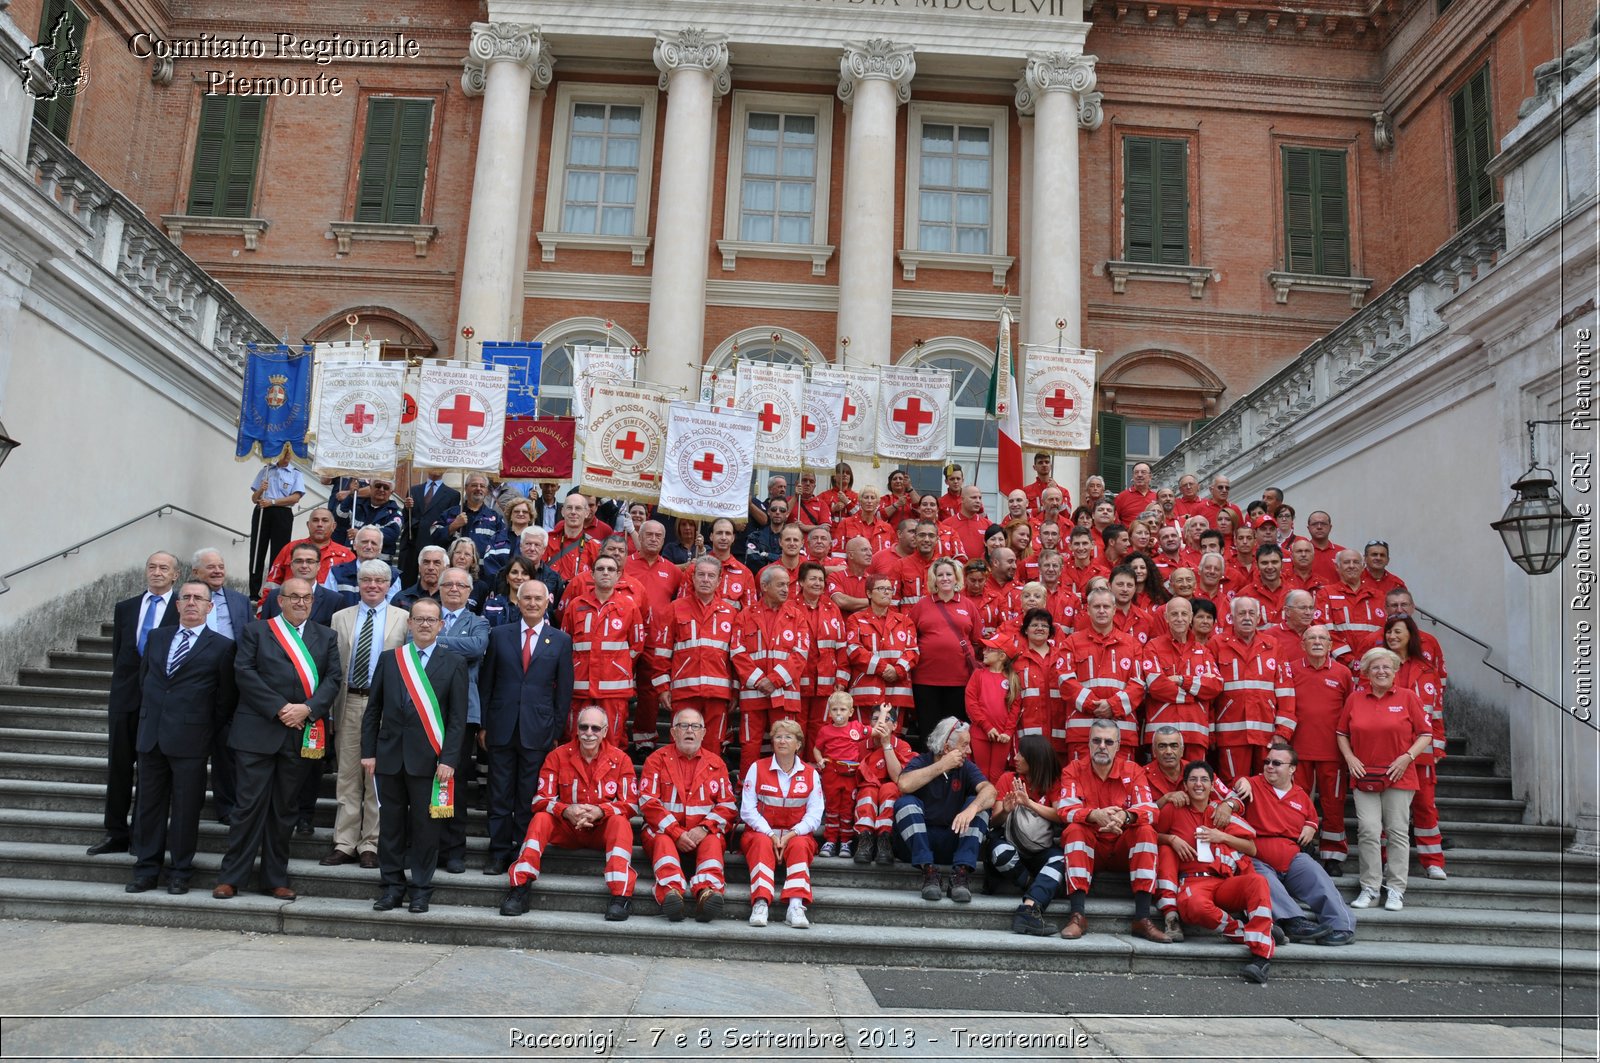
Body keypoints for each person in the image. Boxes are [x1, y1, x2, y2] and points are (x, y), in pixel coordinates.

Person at [213, 577, 342, 902]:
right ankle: (232, 877)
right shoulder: (256, 631)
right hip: (258, 732)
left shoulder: (326, 636)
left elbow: (333, 678)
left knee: (285, 810)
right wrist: (280, 708)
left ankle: (274, 878)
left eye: (306, 598)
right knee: (248, 807)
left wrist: (308, 709)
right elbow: (244, 672)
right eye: (294, 597)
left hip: (300, 734)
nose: (301, 603)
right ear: (280, 600)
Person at [126, 581, 238, 894]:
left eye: (198, 598)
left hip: (191, 740)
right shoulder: (157, 637)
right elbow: (144, 680)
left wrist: (203, 729)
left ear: (209, 607)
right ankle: (146, 870)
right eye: (185, 597)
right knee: (148, 806)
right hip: (151, 737)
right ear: (177, 605)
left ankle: (179, 872)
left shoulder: (222, 646)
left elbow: (224, 699)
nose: (191, 602)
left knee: (187, 810)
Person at [358, 598, 467, 914]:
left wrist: (449, 759)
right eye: (418, 619)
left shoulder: (454, 663)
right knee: (390, 827)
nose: (424, 624)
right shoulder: (392, 659)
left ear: (440, 625)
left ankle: (420, 889)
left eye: (431, 620)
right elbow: (373, 710)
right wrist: (369, 752)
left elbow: (458, 719)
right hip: (389, 757)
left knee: (425, 829)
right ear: (409, 623)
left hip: (430, 762)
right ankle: (391, 887)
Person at [499, 706, 639, 921]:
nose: (589, 733)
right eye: (584, 727)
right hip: (566, 829)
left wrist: (601, 811)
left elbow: (630, 804)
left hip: (600, 830)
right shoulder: (557, 756)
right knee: (541, 818)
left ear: (605, 731)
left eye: (595, 728)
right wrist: (565, 810)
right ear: (576, 729)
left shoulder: (621, 760)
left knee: (621, 823)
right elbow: (539, 800)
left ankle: (621, 896)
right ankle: (519, 889)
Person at [478, 579, 574, 877]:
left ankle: (524, 850)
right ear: (517, 602)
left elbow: (564, 692)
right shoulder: (499, 635)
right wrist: (483, 725)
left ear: (548, 603)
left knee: (528, 794)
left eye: (538, 599)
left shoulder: (560, 640)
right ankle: (498, 851)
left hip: (539, 730)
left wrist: (556, 730)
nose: (532, 603)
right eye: (527, 598)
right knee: (499, 793)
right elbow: (487, 684)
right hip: (501, 727)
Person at [90, 551, 180, 857]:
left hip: (161, 701)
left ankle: (143, 834)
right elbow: (121, 655)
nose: (156, 572)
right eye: (152, 567)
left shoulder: (184, 607)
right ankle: (115, 832)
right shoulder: (126, 608)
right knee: (119, 766)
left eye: (163, 568)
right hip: (125, 698)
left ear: (175, 575)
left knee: (151, 770)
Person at [323, 561, 410, 870]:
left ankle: (371, 843)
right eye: (367, 580)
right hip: (349, 702)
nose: (373, 585)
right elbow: (333, 666)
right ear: (358, 583)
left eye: (379, 581)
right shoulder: (339, 617)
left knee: (377, 778)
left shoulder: (403, 618)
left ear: (389, 586)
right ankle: (344, 842)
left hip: (385, 707)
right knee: (347, 776)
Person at [1156, 761, 1275, 982]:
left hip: (1222, 882)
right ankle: (1248, 931)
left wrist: (1222, 837)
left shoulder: (1219, 811)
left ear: (1212, 786)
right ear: (1185, 785)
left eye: (1204, 780)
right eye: (1193, 780)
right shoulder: (1174, 809)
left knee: (1258, 882)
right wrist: (1171, 839)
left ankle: (1261, 960)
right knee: (1194, 905)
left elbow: (1252, 847)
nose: (1198, 785)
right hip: (1193, 883)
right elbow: (1150, 834)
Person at [1229, 741, 1357, 946]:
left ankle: (1343, 926)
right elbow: (1233, 791)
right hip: (1257, 855)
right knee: (1261, 880)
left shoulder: (1300, 795)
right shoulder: (1252, 784)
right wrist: (1240, 780)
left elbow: (1311, 816)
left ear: (1292, 769)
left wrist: (1311, 825)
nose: (1270, 766)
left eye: (1277, 763)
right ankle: (1295, 922)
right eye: (1267, 761)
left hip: (1292, 856)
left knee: (1317, 875)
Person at [1056, 718, 1170, 941]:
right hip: (1093, 848)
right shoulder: (1073, 769)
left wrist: (1125, 816)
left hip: (1121, 847)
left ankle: (1142, 918)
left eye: (1109, 742)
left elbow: (1151, 809)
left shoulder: (1133, 770)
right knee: (1074, 831)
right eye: (1096, 740)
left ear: (1118, 746)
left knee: (1146, 831)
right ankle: (1077, 915)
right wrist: (1093, 815)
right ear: (1088, 743)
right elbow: (1064, 810)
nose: (1102, 746)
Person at [1337, 647, 1432, 912]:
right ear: (1366, 672)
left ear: (1395, 670)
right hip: (1364, 774)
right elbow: (1341, 733)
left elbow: (1426, 734)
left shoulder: (1408, 697)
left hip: (1399, 774)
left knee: (1398, 832)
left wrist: (1407, 757)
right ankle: (1370, 887)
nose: (1381, 672)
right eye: (1375, 667)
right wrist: (1350, 758)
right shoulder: (1355, 699)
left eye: (1386, 667)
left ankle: (1395, 889)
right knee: (1368, 830)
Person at [637, 707, 735, 922]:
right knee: (661, 839)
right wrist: (676, 832)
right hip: (666, 834)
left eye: (695, 726)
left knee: (713, 840)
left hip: (701, 834)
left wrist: (703, 828)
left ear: (703, 732)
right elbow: (648, 802)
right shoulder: (656, 760)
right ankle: (671, 892)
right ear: (673, 732)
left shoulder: (716, 763)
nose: (689, 730)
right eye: (683, 726)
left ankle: (707, 892)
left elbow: (728, 805)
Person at [891, 718, 995, 904]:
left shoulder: (966, 766)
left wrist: (972, 808)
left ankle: (960, 874)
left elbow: (990, 791)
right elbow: (904, 784)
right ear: (947, 749)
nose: (969, 751)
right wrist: (942, 766)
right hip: (917, 845)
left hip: (950, 843)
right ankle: (929, 871)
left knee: (979, 804)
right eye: (965, 745)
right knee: (905, 803)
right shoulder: (922, 761)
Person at [432, 567, 491, 873]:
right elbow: (412, 643)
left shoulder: (479, 622)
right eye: (448, 584)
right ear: (439, 588)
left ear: (470, 592)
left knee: (453, 781)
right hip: (426, 711)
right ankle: (427, 847)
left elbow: (476, 648)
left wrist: (434, 641)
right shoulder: (426, 613)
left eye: (461, 585)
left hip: (462, 715)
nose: (454, 588)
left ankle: (454, 850)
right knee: (422, 781)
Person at [190, 548, 253, 824]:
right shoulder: (187, 599)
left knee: (227, 749)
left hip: (230, 683)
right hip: (193, 680)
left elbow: (249, 640)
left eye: (220, 566)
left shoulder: (240, 601)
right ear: (195, 573)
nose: (217, 571)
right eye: (210, 567)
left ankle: (227, 806)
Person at [741, 718, 824, 928]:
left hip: (795, 835)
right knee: (760, 843)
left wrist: (791, 835)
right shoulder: (757, 768)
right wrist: (770, 834)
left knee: (800, 845)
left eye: (788, 737)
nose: (782, 741)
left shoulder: (810, 774)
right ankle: (760, 903)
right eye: (778, 736)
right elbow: (747, 810)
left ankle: (795, 906)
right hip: (761, 834)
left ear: (798, 744)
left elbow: (815, 814)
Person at [1385, 614, 1448, 880]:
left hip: (1421, 752)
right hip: (1387, 750)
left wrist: (1439, 747)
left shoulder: (1426, 669)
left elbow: (1436, 713)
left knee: (1425, 806)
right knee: (1388, 812)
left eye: (1398, 632)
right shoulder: (1379, 665)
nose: (1393, 636)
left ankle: (1433, 861)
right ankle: (1388, 861)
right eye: (1389, 632)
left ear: (1411, 635)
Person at [654, 556, 740, 751]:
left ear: (719, 581)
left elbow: (735, 658)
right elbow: (661, 653)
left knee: (713, 746)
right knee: (680, 746)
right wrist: (662, 687)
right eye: (701, 574)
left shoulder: (731, 613)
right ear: (692, 578)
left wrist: (734, 691)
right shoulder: (675, 609)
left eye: (711, 576)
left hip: (718, 694)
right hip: (685, 692)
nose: (705, 579)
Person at [1288, 623, 1355, 873]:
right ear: (1302, 644)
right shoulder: (1291, 670)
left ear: (1330, 645)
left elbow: (1351, 713)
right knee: (1298, 804)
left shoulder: (1342, 673)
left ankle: (1333, 855)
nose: (1317, 642)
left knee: (1333, 803)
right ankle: (1300, 849)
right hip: (1298, 752)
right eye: (1311, 638)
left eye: (1322, 638)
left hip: (1332, 752)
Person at [985, 735, 1066, 937]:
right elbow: (993, 822)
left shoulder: (1054, 783)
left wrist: (1029, 803)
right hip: (1011, 843)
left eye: (1022, 753)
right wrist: (1005, 810)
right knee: (999, 852)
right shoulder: (1008, 779)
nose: (1016, 757)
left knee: (1060, 860)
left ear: (1035, 758)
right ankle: (1032, 884)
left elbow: (1060, 816)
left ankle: (1029, 909)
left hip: (1041, 848)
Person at [1212, 596, 1296, 785]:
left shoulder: (1273, 645)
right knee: (1234, 786)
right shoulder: (1216, 644)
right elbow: (1209, 695)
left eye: (1252, 613)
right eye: (1241, 613)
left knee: (1268, 786)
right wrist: (1211, 732)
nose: (1247, 617)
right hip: (1231, 733)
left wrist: (1283, 732)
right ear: (1231, 617)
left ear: (1259, 617)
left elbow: (1286, 692)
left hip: (1267, 733)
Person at [563, 553, 645, 747]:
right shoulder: (576, 606)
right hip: (580, 687)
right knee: (576, 739)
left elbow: (636, 646)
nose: (605, 573)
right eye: (600, 569)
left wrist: (619, 666)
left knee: (612, 741)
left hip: (614, 690)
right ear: (592, 574)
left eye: (610, 569)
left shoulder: (629, 607)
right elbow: (565, 644)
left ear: (618, 575)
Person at [1059, 587, 1146, 762]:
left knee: (1122, 785)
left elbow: (1138, 685)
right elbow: (1065, 681)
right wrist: (1095, 706)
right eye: (1096, 606)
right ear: (1088, 610)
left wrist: (1112, 706)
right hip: (1082, 733)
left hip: (1122, 732)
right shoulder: (1072, 642)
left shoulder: (1132, 644)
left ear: (1114, 610)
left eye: (1106, 606)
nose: (1101, 611)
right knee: (1081, 783)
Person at [907, 557, 981, 742]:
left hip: (960, 679)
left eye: (949, 574)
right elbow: (910, 638)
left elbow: (977, 640)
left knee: (955, 732)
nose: (945, 578)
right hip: (925, 680)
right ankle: (930, 770)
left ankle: (953, 769)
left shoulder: (968, 606)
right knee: (929, 731)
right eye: (940, 575)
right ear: (934, 579)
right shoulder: (921, 606)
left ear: (956, 578)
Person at [1140, 597, 1222, 758]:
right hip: (1161, 731)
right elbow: (1156, 686)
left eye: (1184, 614)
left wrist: (1182, 680)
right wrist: (1194, 695)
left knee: (1194, 782)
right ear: (1166, 618)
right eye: (1174, 614)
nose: (1179, 618)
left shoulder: (1203, 650)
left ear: (1191, 617)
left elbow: (1216, 685)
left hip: (1195, 733)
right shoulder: (1153, 647)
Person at [843, 574, 919, 722]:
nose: (886, 592)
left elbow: (913, 651)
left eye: (889, 589)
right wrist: (883, 668)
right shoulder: (856, 619)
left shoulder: (905, 621)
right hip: (866, 691)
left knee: (893, 737)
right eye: (881, 588)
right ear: (869, 593)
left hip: (897, 691)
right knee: (864, 737)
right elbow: (854, 650)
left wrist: (898, 670)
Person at [851, 703, 913, 865]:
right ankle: (864, 841)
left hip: (891, 787)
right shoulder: (860, 746)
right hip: (867, 790)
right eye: (875, 719)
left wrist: (886, 744)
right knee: (868, 791)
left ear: (895, 725)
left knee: (889, 789)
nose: (880, 723)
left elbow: (899, 778)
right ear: (869, 724)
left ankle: (885, 841)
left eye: (886, 719)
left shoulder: (902, 745)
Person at [814, 691, 868, 858]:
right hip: (831, 774)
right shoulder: (825, 730)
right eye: (835, 710)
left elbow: (873, 732)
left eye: (843, 709)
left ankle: (846, 841)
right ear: (829, 712)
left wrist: (883, 714)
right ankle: (830, 840)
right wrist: (820, 760)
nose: (838, 713)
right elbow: (817, 748)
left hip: (850, 775)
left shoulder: (856, 727)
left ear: (851, 712)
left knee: (847, 808)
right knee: (832, 807)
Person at [260, 508, 354, 601]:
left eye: (325, 521)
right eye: (315, 520)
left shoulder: (346, 555)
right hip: (291, 608)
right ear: (308, 525)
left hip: (329, 611)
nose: (320, 524)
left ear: (333, 526)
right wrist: (264, 610)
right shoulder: (290, 549)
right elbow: (272, 583)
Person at [249, 452, 306, 598]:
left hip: (282, 513)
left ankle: (272, 592)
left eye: (290, 453)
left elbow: (295, 498)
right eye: (284, 453)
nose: (287, 456)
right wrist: (262, 489)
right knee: (257, 550)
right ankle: (254, 592)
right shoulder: (266, 470)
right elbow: (254, 498)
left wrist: (273, 502)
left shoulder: (295, 474)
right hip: (262, 510)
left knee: (279, 553)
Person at [966, 636, 1019, 782]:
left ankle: (995, 804)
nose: (984, 652)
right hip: (980, 732)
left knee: (996, 775)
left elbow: (1015, 708)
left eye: (990, 649)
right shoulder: (978, 674)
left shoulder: (1012, 679)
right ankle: (982, 804)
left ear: (1002, 656)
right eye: (985, 648)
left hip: (1003, 736)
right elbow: (971, 702)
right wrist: (987, 727)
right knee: (981, 774)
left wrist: (1008, 732)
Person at [1320, 549, 1386, 662]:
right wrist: (1347, 659)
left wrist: (1373, 659)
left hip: (1373, 663)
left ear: (1363, 566)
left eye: (1356, 562)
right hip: (1340, 664)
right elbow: (1323, 630)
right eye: (1346, 562)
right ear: (1337, 566)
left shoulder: (1379, 596)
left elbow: (1385, 632)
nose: (1351, 566)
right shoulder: (1326, 594)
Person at [261, 543, 341, 627]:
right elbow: (264, 630)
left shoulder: (334, 600)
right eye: (299, 561)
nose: (304, 566)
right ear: (291, 565)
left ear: (318, 566)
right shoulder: (274, 595)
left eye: (310, 561)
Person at [403, 473, 460, 585]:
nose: (435, 470)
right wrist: (406, 508)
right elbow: (406, 517)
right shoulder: (413, 490)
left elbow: (449, 519)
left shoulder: (453, 494)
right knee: (407, 580)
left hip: (435, 542)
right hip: (412, 541)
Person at [431, 472, 504, 559]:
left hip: (483, 571)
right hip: (454, 570)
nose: (478, 488)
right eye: (474, 485)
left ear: (487, 491)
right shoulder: (450, 513)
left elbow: (501, 547)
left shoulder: (495, 518)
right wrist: (452, 527)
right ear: (465, 488)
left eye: (482, 486)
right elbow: (434, 538)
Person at [333, 476, 405, 564]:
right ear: (370, 487)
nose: (381, 489)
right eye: (378, 486)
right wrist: (351, 496)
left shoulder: (395, 513)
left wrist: (360, 534)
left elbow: (392, 534)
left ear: (391, 492)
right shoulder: (357, 505)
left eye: (386, 488)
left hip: (378, 565)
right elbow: (339, 516)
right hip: (352, 561)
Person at [330, 526, 401, 608]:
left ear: (380, 549)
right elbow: (329, 606)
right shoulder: (336, 573)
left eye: (374, 543)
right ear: (355, 545)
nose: (369, 547)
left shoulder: (393, 575)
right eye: (364, 542)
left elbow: (392, 611)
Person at [482, 495, 538, 582]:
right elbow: (489, 563)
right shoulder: (497, 537)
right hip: (500, 587)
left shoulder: (536, 538)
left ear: (530, 517)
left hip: (528, 588)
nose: (520, 514)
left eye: (525, 512)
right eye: (516, 511)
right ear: (510, 516)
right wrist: (505, 580)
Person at [395, 544, 447, 611]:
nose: (430, 567)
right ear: (419, 567)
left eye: (437, 563)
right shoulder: (402, 599)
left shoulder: (452, 599)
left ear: (446, 568)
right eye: (426, 562)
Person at [1304, 511, 1345, 587]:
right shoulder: (1301, 553)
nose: (1319, 527)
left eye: (1323, 524)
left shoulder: (1342, 553)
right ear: (1308, 528)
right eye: (1314, 524)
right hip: (1308, 597)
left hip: (1336, 597)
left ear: (1330, 527)